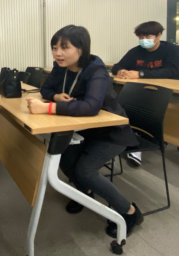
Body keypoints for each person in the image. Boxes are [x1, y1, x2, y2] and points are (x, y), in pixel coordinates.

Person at [25, 25, 143, 238]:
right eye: (54, 48)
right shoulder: (61, 67)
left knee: (84, 171)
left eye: (64, 47)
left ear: (81, 49)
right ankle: (85, 193)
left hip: (111, 132)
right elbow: (46, 89)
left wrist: (49, 107)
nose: (58, 53)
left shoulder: (96, 70)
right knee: (64, 160)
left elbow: (91, 107)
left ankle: (129, 211)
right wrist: (56, 97)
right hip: (83, 129)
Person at [111, 21, 179, 166]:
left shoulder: (171, 50)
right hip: (142, 91)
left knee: (137, 107)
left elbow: (171, 71)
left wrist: (140, 74)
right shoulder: (136, 51)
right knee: (124, 102)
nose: (144, 40)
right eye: (141, 37)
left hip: (167, 92)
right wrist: (121, 71)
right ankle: (132, 138)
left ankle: (137, 140)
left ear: (159, 35)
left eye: (148, 36)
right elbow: (117, 66)